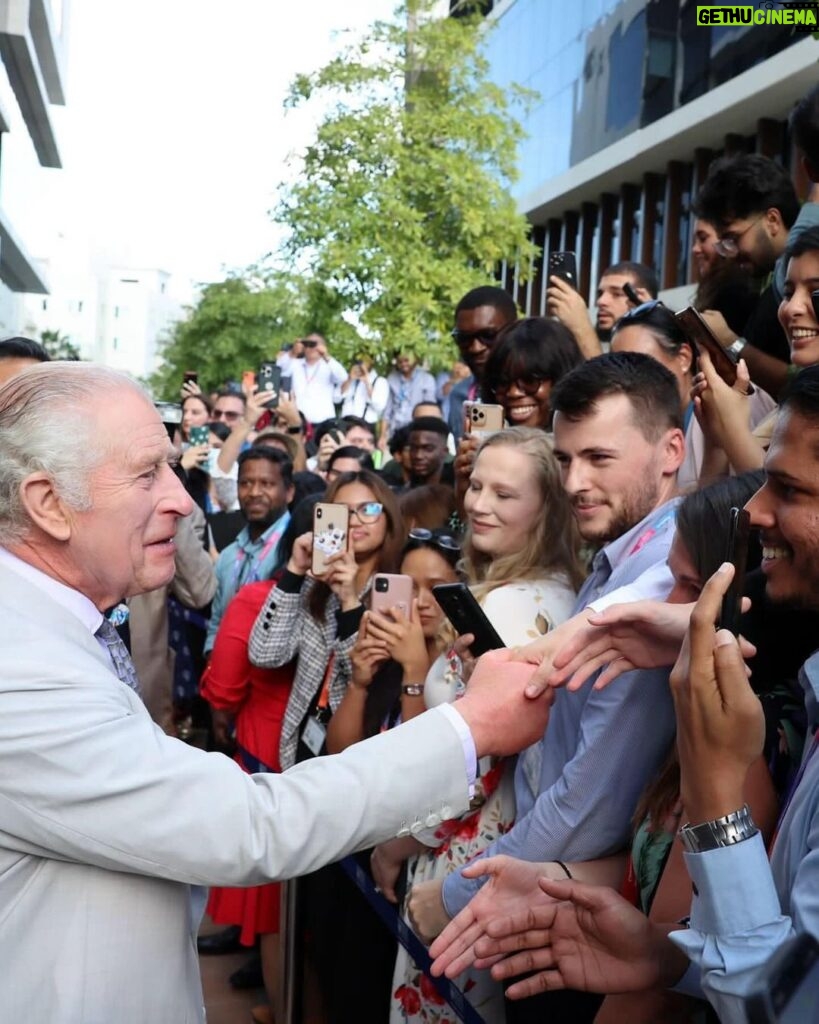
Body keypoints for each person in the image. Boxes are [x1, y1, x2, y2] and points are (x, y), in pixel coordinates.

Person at [0, 361, 556, 1023]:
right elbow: (248, 826)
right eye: (148, 472)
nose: (180, 499)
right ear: (47, 503)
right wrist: (471, 726)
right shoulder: (23, 666)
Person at [437, 352, 686, 1024]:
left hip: (582, 924)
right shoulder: (616, 562)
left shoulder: (661, 577)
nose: (576, 481)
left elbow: (588, 802)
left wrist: (457, 893)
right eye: (566, 459)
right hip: (552, 900)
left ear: (671, 451)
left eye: (599, 458)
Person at [381, 427, 582, 1023]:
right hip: (506, 851)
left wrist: (398, 842)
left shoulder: (509, 605)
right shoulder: (565, 593)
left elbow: (482, 757)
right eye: (475, 485)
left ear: (546, 509)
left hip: (466, 852)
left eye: (505, 493)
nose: (478, 504)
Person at [610, 301, 775, 489]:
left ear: (683, 358)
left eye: (638, 365)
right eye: (617, 368)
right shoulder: (642, 426)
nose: (625, 381)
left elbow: (760, 494)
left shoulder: (735, 401)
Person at [204, 447, 293, 654]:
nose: (254, 493)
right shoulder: (229, 555)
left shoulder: (296, 551)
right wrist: (212, 657)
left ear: (289, 492)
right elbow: (217, 620)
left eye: (267, 484)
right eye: (245, 483)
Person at [448, 286, 517, 444]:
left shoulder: (537, 392)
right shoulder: (459, 396)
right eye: (464, 338)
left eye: (488, 335)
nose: (475, 347)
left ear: (514, 330)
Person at [546, 260, 657, 358]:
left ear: (642, 299)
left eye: (617, 294)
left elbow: (611, 380)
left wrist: (581, 328)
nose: (601, 301)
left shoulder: (664, 348)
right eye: (600, 294)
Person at [289, 332, 348, 426]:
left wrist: (326, 356)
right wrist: (292, 353)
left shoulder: (329, 365)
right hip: (299, 420)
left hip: (324, 420)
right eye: (307, 344)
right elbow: (280, 369)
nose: (310, 348)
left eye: (314, 344)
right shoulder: (295, 364)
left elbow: (343, 377)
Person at [382, 353, 437, 444]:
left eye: (406, 360)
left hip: (416, 430)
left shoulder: (426, 379)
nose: (403, 364)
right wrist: (383, 436)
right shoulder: (392, 379)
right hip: (395, 430)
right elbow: (387, 410)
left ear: (415, 360)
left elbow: (429, 410)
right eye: (400, 361)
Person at [337, 354, 388, 425]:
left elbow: (379, 406)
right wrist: (349, 379)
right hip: (346, 422)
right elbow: (337, 398)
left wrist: (367, 382)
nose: (361, 364)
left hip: (366, 424)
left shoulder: (380, 381)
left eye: (364, 361)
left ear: (372, 362)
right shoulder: (350, 378)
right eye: (359, 361)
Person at [406, 416, 453, 488]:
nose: (418, 456)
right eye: (414, 448)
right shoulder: (402, 491)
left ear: (445, 451)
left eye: (428, 449)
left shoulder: (457, 490)